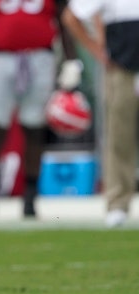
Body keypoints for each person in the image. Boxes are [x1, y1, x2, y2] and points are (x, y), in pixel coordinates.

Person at [0, 0, 81, 219]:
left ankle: (30, 199)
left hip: (40, 58)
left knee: (35, 128)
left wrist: (71, 61)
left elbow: (64, 19)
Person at [62, 0, 139, 228]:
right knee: (119, 138)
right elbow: (71, 16)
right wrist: (97, 49)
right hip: (122, 67)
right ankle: (117, 204)